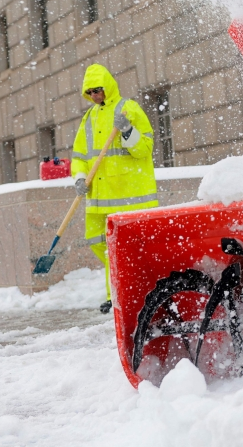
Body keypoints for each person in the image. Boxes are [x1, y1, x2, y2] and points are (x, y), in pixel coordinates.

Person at [72, 64, 158, 312]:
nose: (94, 95)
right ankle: (123, 290)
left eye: (97, 90)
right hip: (97, 196)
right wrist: (80, 178)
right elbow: (79, 155)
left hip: (127, 195)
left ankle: (117, 296)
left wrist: (128, 130)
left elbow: (145, 149)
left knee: (118, 248)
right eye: (89, 92)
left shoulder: (128, 108)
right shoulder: (89, 118)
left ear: (107, 87)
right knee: (97, 241)